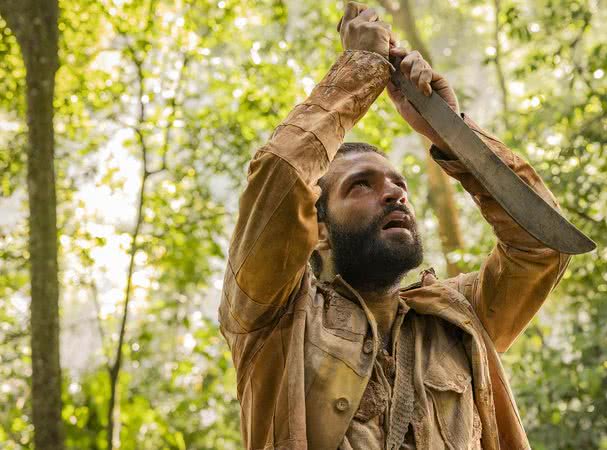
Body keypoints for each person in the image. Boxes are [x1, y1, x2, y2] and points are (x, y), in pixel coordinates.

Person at [218, 2, 570, 449]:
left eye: (398, 184)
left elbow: (543, 240)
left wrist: (451, 133)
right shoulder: (274, 316)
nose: (393, 194)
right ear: (319, 231)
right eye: (360, 186)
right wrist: (360, 69)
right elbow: (279, 177)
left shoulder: (459, 318)